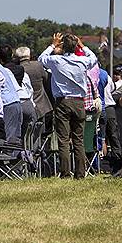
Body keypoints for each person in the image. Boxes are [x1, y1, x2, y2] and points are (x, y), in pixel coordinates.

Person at [38, 33, 97, 179]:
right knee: (79, 139)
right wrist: (82, 46)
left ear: (63, 46)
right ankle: (80, 173)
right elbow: (94, 58)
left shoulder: (56, 60)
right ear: (76, 46)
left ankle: (65, 173)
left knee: (63, 139)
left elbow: (41, 59)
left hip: (63, 101)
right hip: (78, 102)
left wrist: (53, 45)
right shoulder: (82, 61)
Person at [0, 46, 23, 145]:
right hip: (16, 101)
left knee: (9, 137)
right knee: (15, 136)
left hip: (8, 104)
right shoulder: (4, 69)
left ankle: (8, 158)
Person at [17, 46, 53, 121]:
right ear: (29, 55)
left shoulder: (18, 69)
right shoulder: (37, 65)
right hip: (42, 105)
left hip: (25, 105)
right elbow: (46, 80)